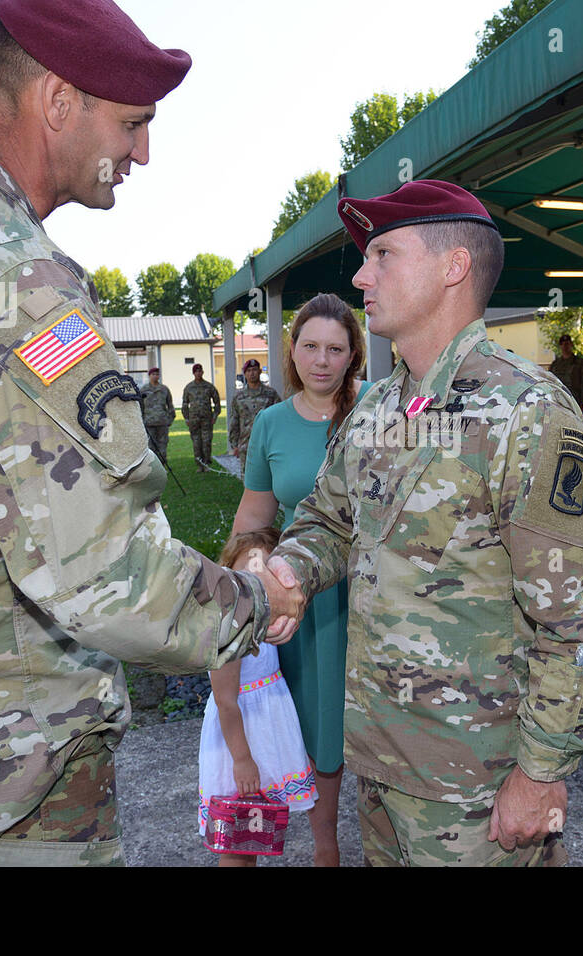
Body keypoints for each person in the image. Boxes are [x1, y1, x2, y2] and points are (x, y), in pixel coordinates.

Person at [0, 0, 300, 868]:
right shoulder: (11, 274)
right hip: (8, 777)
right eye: (133, 122)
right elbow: (106, 573)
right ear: (57, 98)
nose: (143, 152)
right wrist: (258, 604)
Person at [265, 180, 583, 867]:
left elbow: (579, 617)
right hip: (378, 759)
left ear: (452, 266)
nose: (360, 275)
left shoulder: (526, 411)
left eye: (382, 255)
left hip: (477, 787)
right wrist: (290, 568)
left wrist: (541, 772)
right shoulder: (378, 408)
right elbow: (329, 520)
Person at [232, 292, 369, 866]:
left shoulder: (376, 414)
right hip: (300, 596)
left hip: (369, 593)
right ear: (291, 351)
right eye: (310, 346)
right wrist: (236, 578)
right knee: (307, 718)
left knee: (360, 723)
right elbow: (255, 518)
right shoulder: (270, 422)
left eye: (335, 348)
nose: (321, 359)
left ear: (353, 354)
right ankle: (324, 847)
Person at [199, 528, 318, 867]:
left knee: (255, 836)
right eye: (247, 568)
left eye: (264, 568)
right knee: (236, 839)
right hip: (240, 744)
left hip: (265, 737)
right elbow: (225, 701)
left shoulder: (264, 622)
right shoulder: (230, 624)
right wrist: (242, 760)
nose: (256, 576)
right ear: (228, 571)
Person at [229, 358, 280, 474]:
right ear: (245, 374)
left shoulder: (271, 394)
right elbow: (234, 421)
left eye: (255, 370)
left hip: (267, 444)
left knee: (268, 477)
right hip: (246, 445)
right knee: (247, 477)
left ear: (260, 371)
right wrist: (234, 445)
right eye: (249, 371)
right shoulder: (239, 397)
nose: (252, 373)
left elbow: (279, 419)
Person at [181, 362, 220, 471]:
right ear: (193, 373)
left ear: (202, 372)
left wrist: (215, 415)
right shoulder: (189, 387)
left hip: (207, 419)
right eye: (196, 371)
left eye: (200, 371)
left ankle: (206, 463)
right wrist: (186, 418)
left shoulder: (209, 386)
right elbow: (184, 404)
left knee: (206, 441)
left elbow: (217, 402)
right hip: (194, 420)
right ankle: (199, 464)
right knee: (196, 442)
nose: (198, 373)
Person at [138, 366, 175, 462]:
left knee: (163, 447)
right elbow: (139, 407)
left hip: (162, 423)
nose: (155, 376)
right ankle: (153, 469)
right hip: (149, 423)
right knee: (151, 448)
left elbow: (170, 406)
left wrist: (170, 420)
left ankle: (163, 467)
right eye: (153, 374)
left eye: (157, 374)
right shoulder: (143, 390)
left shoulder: (164, 389)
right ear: (149, 376)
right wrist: (141, 421)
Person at [549, 333, 583, 412]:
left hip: (575, 401)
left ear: (571, 345)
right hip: (559, 401)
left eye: (567, 344)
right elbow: (550, 382)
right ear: (560, 346)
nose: (565, 346)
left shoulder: (580, 363)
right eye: (563, 344)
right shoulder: (555, 365)